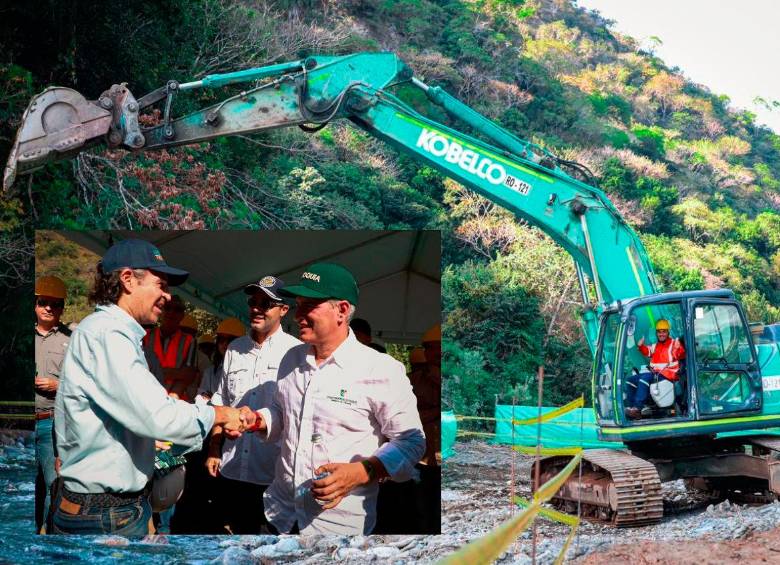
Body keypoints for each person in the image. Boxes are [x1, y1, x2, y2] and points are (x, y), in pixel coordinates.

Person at [50, 238, 248, 535]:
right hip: (105, 515)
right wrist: (219, 415)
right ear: (128, 279)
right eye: (161, 284)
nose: (168, 297)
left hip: (103, 509)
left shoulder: (108, 332)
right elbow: (157, 416)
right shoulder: (109, 334)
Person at [242, 262, 425, 535]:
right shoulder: (291, 359)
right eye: (299, 304)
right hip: (279, 513)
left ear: (341, 310)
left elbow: (412, 441)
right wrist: (257, 420)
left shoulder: (381, 369)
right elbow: (283, 412)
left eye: (309, 306)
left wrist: (363, 471)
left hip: (336, 526)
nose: (297, 315)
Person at [206, 275, 301, 534]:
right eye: (253, 301)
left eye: (266, 303)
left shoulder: (296, 353)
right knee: (240, 538)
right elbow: (220, 402)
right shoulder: (235, 349)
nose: (256, 308)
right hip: (232, 469)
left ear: (283, 310)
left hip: (272, 474)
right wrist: (214, 448)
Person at [34, 276, 71, 533]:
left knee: (53, 486)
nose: (48, 308)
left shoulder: (72, 339)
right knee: (28, 492)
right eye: (43, 302)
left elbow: (85, 383)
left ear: (62, 308)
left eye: (55, 304)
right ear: (35, 304)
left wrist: (59, 386)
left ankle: (51, 541)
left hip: (52, 422)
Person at [625, 319, 686, 420]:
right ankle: (632, 409)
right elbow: (648, 351)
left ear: (668, 332)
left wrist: (681, 344)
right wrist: (641, 346)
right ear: (656, 333)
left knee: (645, 377)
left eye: (664, 331)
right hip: (656, 375)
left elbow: (681, 353)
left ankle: (637, 408)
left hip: (667, 375)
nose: (661, 334)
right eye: (659, 332)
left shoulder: (674, 344)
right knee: (630, 380)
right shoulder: (656, 346)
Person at [143, 295, 199, 401]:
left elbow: (189, 375)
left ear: (182, 315)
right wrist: (177, 373)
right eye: (167, 307)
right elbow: (138, 370)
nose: (171, 312)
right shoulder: (145, 336)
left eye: (177, 309)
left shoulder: (189, 341)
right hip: (146, 397)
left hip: (175, 400)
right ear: (161, 311)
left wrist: (171, 399)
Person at [196, 319, 245, 403]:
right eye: (221, 339)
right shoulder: (210, 372)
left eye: (230, 340)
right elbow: (202, 396)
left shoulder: (251, 370)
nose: (225, 344)